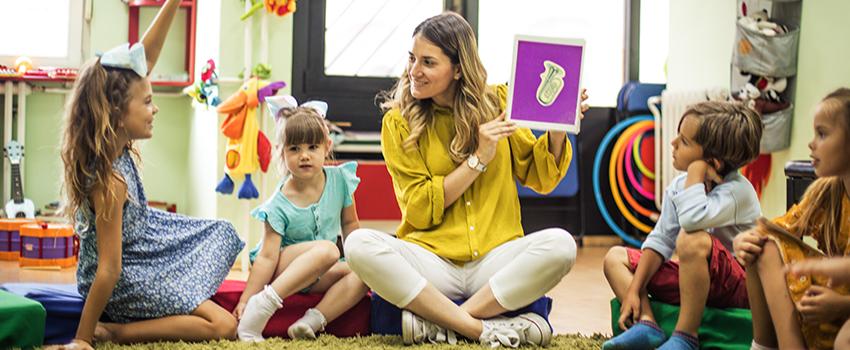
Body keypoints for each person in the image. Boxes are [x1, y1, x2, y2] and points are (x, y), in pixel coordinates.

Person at [343, 12, 587, 347]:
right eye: (412, 59)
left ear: (458, 69)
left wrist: (558, 129)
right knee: (358, 245)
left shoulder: (499, 103)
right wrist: (478, 159)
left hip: (494, 259)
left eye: (428, 62)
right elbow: (418, 210)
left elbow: (541, 178)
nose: (414, 71)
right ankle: (477, 329)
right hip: (432, 261)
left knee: (562, 245)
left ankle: (447, 324)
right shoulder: (398, 122)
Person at [57, 0, 244, 348]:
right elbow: (109, 270)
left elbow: (146, 57)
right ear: (115, 113)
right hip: (125, 275)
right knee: (223, 325)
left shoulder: (116, 142)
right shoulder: (110, 181)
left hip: (145, 241)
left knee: (223, 231)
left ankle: (178, 289)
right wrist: (83, 339)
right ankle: (119, 331)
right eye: (146, 102)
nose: (154, 107)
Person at [602, 101, 763, 350]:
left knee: (692, 238)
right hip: (697, 278)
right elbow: (661, 240)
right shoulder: (679, 186)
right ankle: (646, 324)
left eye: (684, 141)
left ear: (713, 163)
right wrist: (635, 288)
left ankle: (685, 337)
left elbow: (693, 219)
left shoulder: (738, 191)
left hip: (738, 286)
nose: (673, 143)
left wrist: (696, 174)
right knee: (615, 258)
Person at [234, 100, 368, 342]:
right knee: (327, 249)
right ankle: (261, 307)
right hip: (284, 268)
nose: (304, 156)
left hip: (321, 271)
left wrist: (357, 257)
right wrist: (246, 299)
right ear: (282, 152)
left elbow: (350, 224)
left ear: (327, 147)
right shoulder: (278, 203)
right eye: (294, 149)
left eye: (312, 147)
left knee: (366, 272)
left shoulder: (340, 180)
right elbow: (267, 256)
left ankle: (311, 321)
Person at [734, 88, 850, 350]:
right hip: (833, 296)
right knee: (761, 245)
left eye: (822, 134)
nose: (811, 144)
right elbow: (777, 228)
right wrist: (744, 239)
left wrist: (841, 305)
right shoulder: (827, 191)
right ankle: (767, 346)